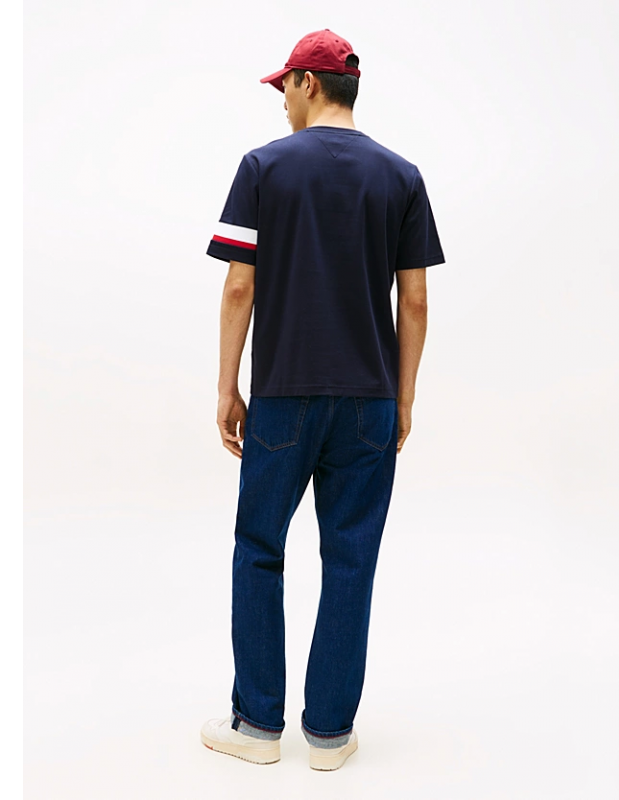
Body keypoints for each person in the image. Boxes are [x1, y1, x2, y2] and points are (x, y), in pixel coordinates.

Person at [200, 28, 445, 771]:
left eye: (284, 87)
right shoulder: (402, 176)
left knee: (259, 549)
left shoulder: (263, 168)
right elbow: (415, 300)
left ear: (308, 83)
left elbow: (238, 286)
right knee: (350, 560)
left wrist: (227, 387)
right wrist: (403, 397)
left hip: (283, 394)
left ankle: (257, 726)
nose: (281, 102)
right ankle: (331, 736)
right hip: (369, 400)